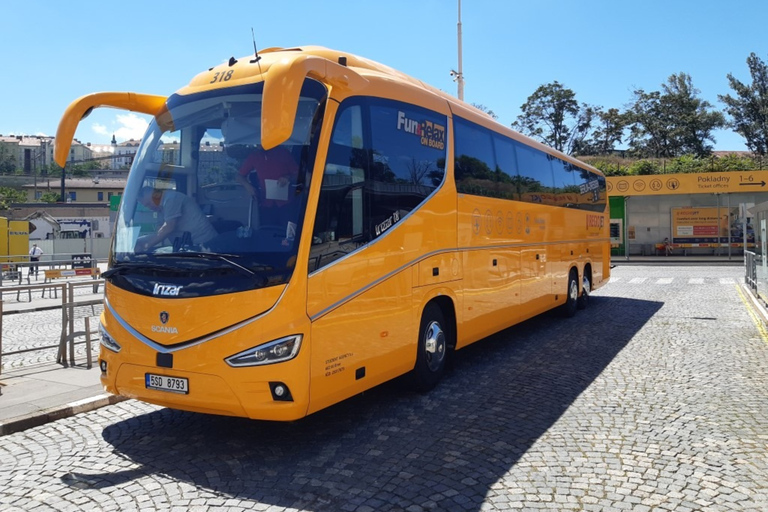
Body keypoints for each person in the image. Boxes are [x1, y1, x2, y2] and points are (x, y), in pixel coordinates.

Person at [135, 187, 217, 252]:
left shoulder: (171, 199)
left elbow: (169, 227)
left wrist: (145, 246)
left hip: (207, 245)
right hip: (191, 247)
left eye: (149, 203)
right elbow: (159, 233)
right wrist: (137, 241)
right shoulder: (160, 208)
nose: (150, 208)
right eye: (146, 206)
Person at [235, 146, 299, 227]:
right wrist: (248, 186)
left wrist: (288, 178)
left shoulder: (284, 153)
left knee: (288, 233)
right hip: (265, 203)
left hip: (286, 204)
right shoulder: (255, 156)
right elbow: (239, 176)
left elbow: (298, 175)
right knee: (267, 232)